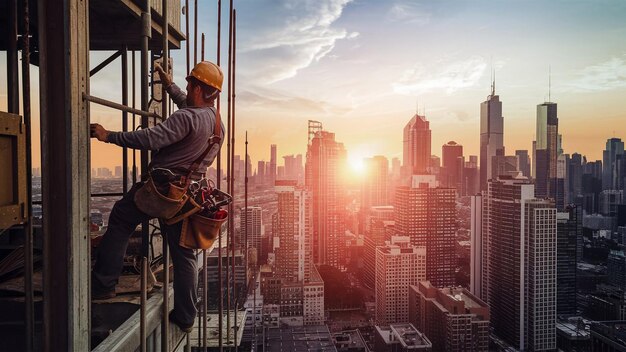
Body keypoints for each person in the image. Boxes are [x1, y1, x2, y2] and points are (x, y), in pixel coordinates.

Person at [90, 61, 224, 332]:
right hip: (187, 196)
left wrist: (109, 136)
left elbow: (151, 138)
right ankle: (186, 317)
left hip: (161, 190)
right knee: (183, 253)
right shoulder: (215, 121)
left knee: (121, 218)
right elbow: (187, 102)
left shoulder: (185, 118)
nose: (187, 88)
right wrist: (168, 84)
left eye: (190, 84)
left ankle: (104, 285)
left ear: (198, 87)